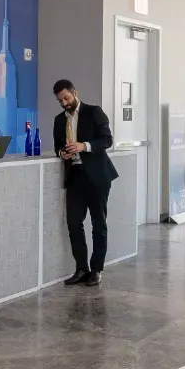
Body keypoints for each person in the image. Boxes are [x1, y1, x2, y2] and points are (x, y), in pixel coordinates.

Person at [52, 79, 117, 287]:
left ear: (75, 93)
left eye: (66, 98)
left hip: (97, 176)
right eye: (60, 100)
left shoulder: (94, 112)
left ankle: (96, 270)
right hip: (75, 176)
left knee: (99, 224)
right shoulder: (59, 120)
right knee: (73, 223)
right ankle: (81, 268)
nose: (64, 103)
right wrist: (62, 153)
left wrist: (84, 146)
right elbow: (57, 147)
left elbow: (107, 140)